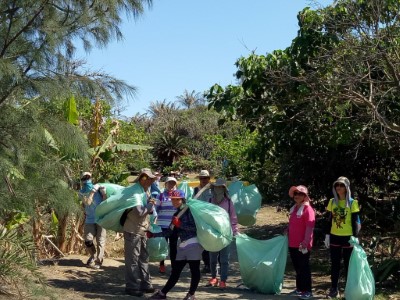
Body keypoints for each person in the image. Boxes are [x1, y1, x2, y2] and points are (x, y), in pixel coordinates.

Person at [147, 190, 201, 300]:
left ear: (182, 199)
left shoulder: (190, 211)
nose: (175, 201)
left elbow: (195, 228)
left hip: (194, 243)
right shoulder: (176, 214)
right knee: (175, 271)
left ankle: (191, 295)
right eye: (173, 199)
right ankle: (163, 293)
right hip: (183, 245)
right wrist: (154, 235)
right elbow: (170, 232)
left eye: (177, 199)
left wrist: (180, 224)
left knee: (194, 270)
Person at [324, 176, 361, 299]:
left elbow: (355, 221)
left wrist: (355, 237)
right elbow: (329, 220)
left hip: (347, 238)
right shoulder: (332, 202)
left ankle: (349, 289)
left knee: (348, 265)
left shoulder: (352, 203)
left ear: (346, 187)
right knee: (335, 264)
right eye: (337, 185)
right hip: (335, 237)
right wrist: (327, 234)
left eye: (342, 185)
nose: (339, 188)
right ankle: (334, 289)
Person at [122, 168, 157, 297]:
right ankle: (131, 286)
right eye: (146, 178)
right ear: (141, 178)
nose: (148, 180)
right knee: (132, 260)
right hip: (133, 230)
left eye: (150, 178)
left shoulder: (144, 191)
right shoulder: (135, 193)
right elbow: (140, 212)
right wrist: (150, 205)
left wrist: (150, 206)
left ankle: (145, 284)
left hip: (142, 229)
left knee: (143, 258)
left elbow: (147, 211)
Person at [206, 178, 238, 289]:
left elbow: (233, 218)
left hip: (225, 234)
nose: (218, 189)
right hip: (213, 234)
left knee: (224, 259)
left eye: (220, 187)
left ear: (224, 189)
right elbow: (206, 217)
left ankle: (223, 280)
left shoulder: (229, 202)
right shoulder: (210, 201)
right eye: (216, 187)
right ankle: (214, 278)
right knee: (213, 258)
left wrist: (235, 231)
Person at [287, 185, 315, 299]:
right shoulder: (294, 209)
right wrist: (286, 230)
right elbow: (292, 225)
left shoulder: (308, 209)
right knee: (297, 267)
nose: (297, 196)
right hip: (292, 243)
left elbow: (310, 227)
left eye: (300, 194)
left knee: (304, 267)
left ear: (305, 196)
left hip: (303, 245)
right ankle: (299, 288)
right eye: (296, 194)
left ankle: (307, 290)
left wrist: (305, 241)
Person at [79, 171, 107, 269]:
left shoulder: (99, 188)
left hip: (101, 218)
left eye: (88, 177)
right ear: (81, 180)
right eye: (84, 178)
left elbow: (106, 202)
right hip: (90, 219)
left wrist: (104, 194)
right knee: (88, 240)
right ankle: (93, 255)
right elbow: (87, 203)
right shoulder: (81, 192)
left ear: (91, 178)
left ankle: (99, 262)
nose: (86, 180)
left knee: (100, 241)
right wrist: (91, 192)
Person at [155, 177, 180, 273]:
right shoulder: (160, 196)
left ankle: (174, 266)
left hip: (173, 226)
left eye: (173, 184)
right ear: (165, 184)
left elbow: (181, 209)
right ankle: (162, 265)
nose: (171, 185)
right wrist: (153, 219)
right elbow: (156, 209)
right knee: (163, 246)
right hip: (162, 225)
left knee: (173, 246)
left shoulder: (178, 196)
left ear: (176, 185)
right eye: (169, 183)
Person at [192, 169, 212, 273]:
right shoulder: (195, 190)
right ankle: (207, 264)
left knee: (212, 241)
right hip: (199, 221)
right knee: (202, 243)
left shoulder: (213, 189)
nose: (203, 180)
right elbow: (192, 204)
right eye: (202, 178)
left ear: (209, 179)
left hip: (211, 220)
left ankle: (213, 264)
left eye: (205, 178)